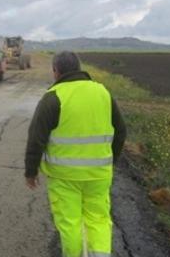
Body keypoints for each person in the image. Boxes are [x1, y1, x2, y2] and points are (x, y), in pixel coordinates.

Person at [25, 51, 126, 257]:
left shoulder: (53, 97)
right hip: (99, 175)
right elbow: (121, 131)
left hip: (64, 177)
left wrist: (31, 171)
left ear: (56, 71)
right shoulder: (103, 92)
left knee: (71, 224)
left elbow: (36, 138)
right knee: (98, 220)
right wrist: (110, 161)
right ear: (79, 68)